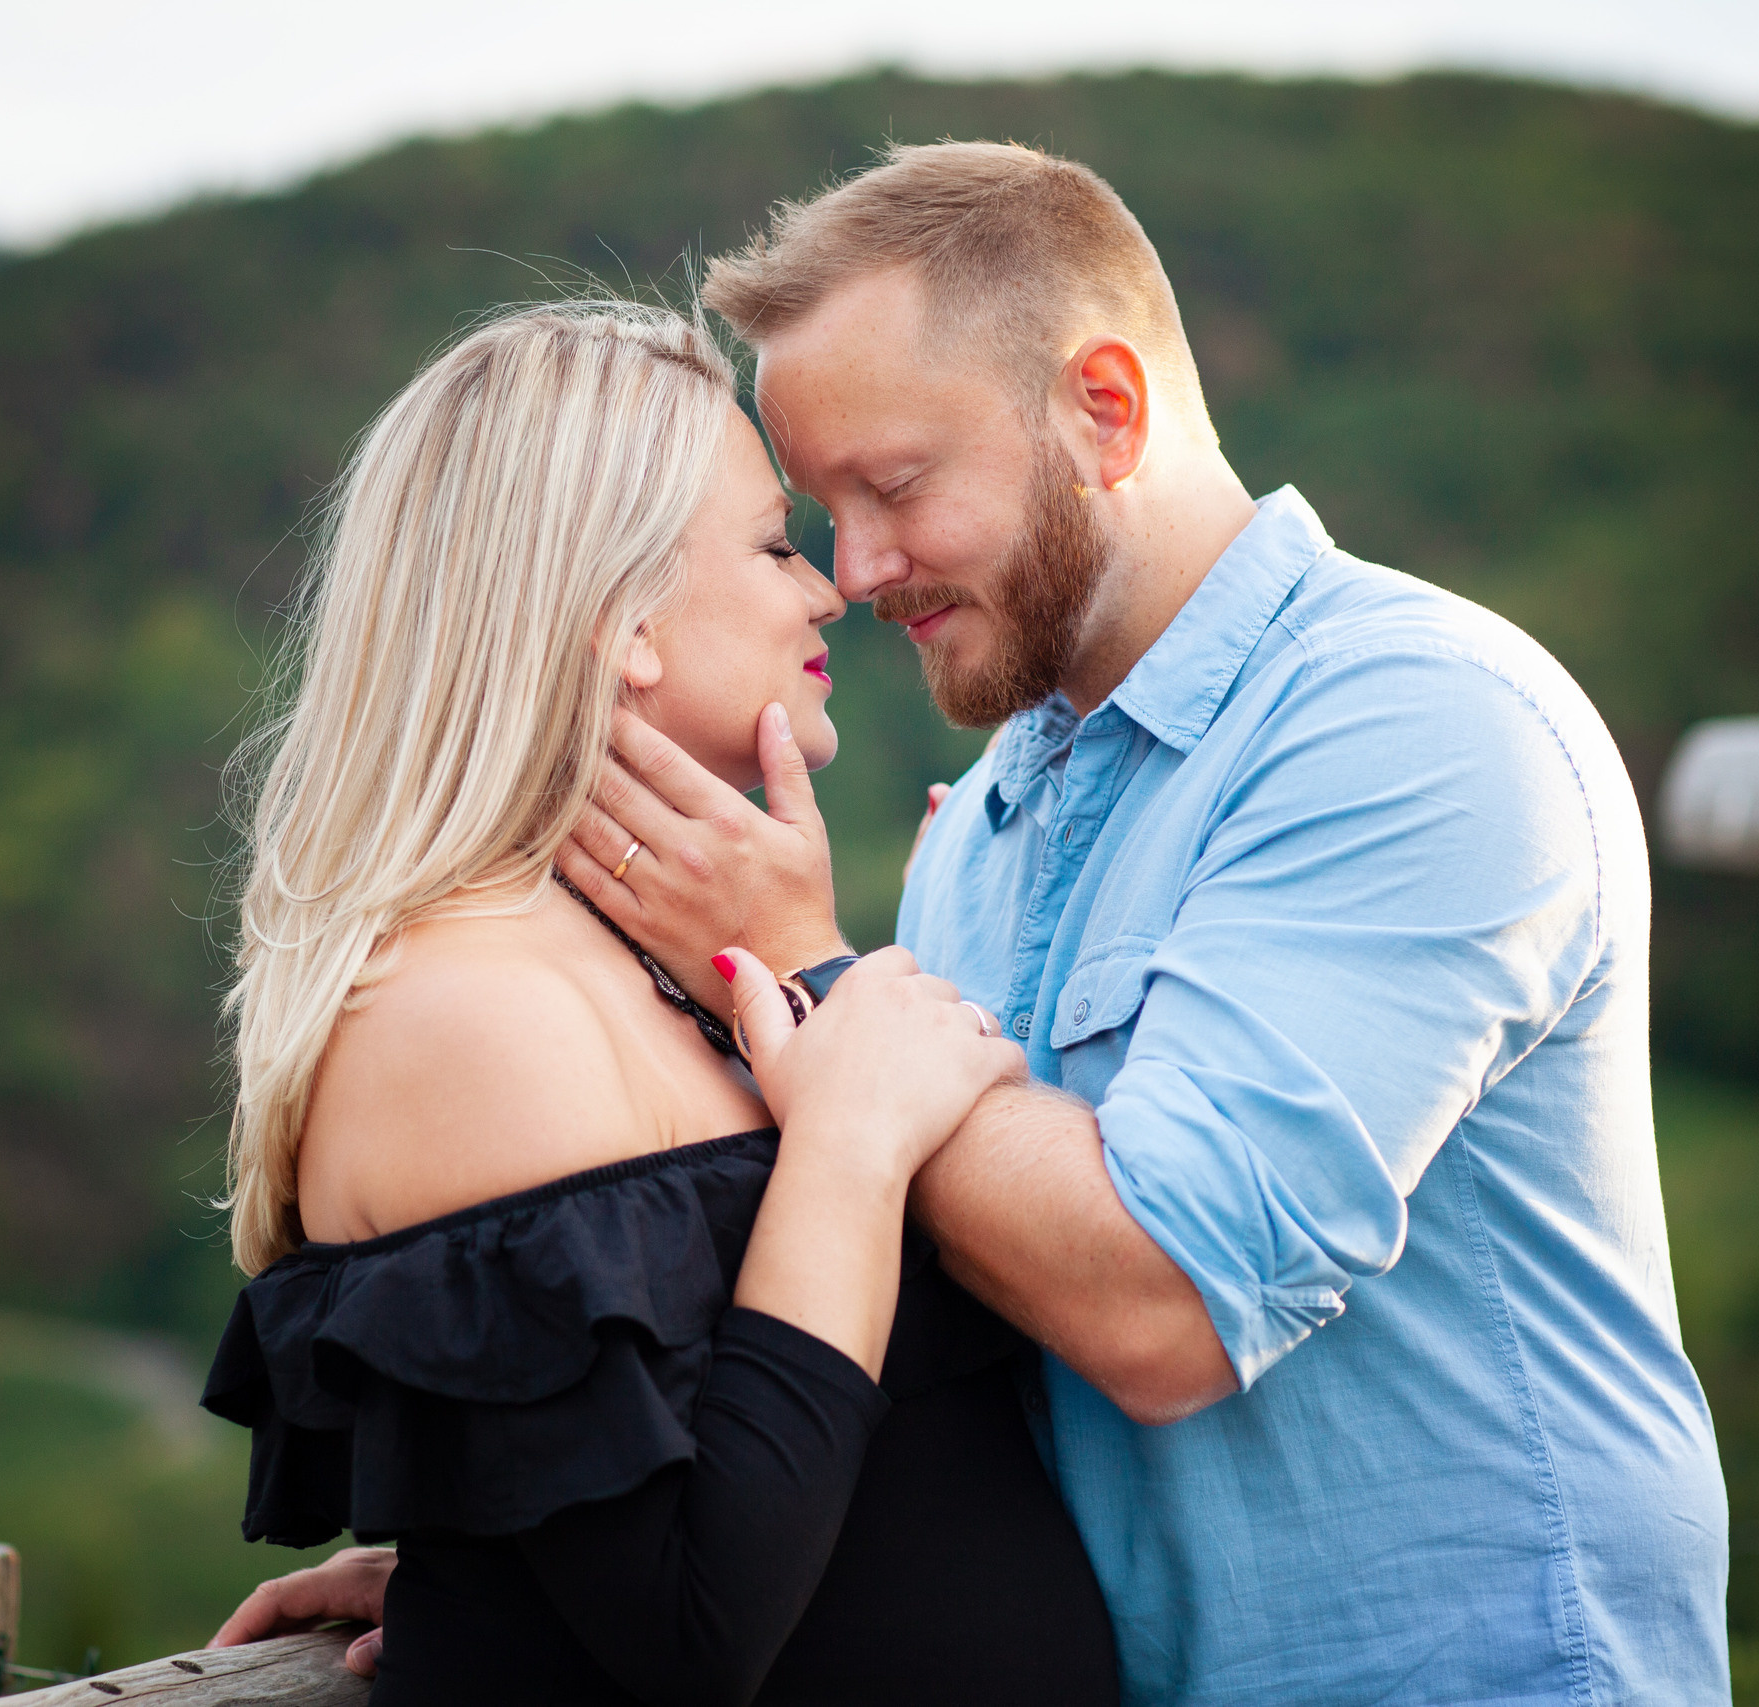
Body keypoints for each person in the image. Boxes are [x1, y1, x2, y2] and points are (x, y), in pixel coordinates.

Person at [541, 144, 1733, 1703]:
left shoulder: (1419, 724)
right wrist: (550, 1557)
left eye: (894, 487)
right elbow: (951, 1331)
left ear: (1105, 408)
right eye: (821, 512)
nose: (858, 571)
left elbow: (1162, 1302)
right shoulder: (987, 827)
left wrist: (820, 975)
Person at [195, 300, 1122, 1706]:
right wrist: (855, 1143)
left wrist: (510, 1554)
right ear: (619, 623)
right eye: (771, 544)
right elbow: (696, 1635)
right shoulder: (468, 1016)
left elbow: (722, 1476)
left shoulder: (647, 970)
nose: (827, 589)